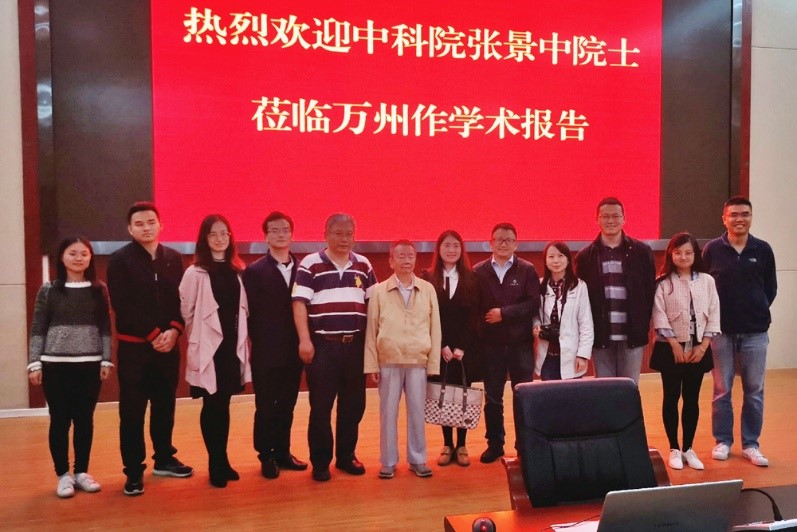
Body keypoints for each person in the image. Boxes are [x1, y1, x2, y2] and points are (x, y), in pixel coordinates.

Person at [107, 201, 193, 496]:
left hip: (168, 346)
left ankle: (164, 459)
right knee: (132, 412)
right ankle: (133, 471)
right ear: (130, 229)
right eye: (139, 224)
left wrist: (175, 330)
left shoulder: (174, 258)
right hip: (135, 350)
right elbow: (122, 304)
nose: (146, 228)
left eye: (151, 222)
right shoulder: (120, 260)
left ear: (160, 225)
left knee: (165, 406)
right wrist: (155, 334)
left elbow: (181, 300)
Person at [292, 213, 377, 481]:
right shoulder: (310, 264)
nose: (344, 239)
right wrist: (304, 339)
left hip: (355, 346)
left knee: (353, 405)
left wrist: (373, 347)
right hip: (323, 347)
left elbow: (374, 306)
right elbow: (299, 303)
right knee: (321, 407)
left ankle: (346, 456)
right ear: (326, 234)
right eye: (338, 233)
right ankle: (320, 462)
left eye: (349, 234)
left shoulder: (363, 264)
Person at [27, 237, 112, 498]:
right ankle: (63, 475)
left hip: (90, 364)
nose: (78, 258)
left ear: (90, 258)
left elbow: (105, 327)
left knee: (84, 420)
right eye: (72, 253)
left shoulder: (99, 289)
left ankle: (81, 472)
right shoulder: (49, 290)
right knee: (60, 420)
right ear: (62, 257)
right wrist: (34, 362)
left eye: (84, 253)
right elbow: (38, 327)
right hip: (55, 365)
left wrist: (106, 358)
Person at [703, 196, 777, 467]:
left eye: (745, 214)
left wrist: (755, 309)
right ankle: (723, 440)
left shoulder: (763, 249)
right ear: (724, 219)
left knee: (754, 390)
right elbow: (703, 287)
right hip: (720, 333)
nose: (739, 219)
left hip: (755, 333)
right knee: (722, 389)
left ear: (751, 217)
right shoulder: (712, 250)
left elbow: (770, 289)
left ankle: (751, 444)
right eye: (733, 214)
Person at [180, 214, 251, 487]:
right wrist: (199, 338)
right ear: (204, 239)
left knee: (224, 404)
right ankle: (215, 463)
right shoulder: (195, 272)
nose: (220, 239)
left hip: (231, 346)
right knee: (212, 404)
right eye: (213, 234)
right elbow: (186, 310)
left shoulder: (237, 270)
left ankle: (223, 460)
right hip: (209, 347)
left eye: (224, 233)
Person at [365, 240, 441, 479]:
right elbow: (371, 329)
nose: (406, 260)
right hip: (388, 360)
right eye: (401, 256)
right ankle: (388, 461)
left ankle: (417, 459)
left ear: (416, 259)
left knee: (417, 413)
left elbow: (435, 328)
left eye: (410, 256)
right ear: (391, 261)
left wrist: (433, 363)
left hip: (418, 361)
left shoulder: (427, 289)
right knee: (388, 414)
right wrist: (372, 364)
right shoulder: (379, 291)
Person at [242, 211, 308, 479]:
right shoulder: (254, 272)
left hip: (295, 350)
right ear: (266, 236)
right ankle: (266, 455)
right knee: (266, 405)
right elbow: (248, 314)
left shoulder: (304, 269)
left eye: (285, 230)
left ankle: (283, 451)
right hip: (266, 352)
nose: (281, 234)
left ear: (292, 234)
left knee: (287, 404)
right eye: (274, 230)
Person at [650, 232, 720, 471]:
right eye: (678, 252)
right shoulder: (663, 282)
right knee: (671, 397)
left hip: (698, 348)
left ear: (695, 255)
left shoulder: (707, 281)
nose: (683, 257)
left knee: (692, 399)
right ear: (671, 254)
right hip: (670, 348)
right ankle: (674, 448)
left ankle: (688, 448)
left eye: (688, 252)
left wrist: (703, 346)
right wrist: (673, 344)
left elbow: (714, 312)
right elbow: (658, 313)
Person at [474, 222, 540, 463]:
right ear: (490, 243)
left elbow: (533, 303)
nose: (503, 244)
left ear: (516, 244)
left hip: (520, 344)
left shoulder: (527, 270)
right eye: (499, 240)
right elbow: (474, 307)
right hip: (490, 346)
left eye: (508, 240)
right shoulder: (478, 271)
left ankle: (524, 444)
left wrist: (504, 313)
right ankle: (495, 444)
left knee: (523, 396)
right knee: (492, 398)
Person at [574, 196, 655, 383]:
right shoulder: (585, 257)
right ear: (597, 219)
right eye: (605, 216)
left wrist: (643, 323)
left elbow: (649, 292)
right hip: (600, 334)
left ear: (624, 218)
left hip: (632, 335)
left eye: (616, 216)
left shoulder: (641, 252)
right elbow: (581, 299)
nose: (611, 220)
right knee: (605, 390)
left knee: (629, 388)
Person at [420, 230, 480, 467]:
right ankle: (447, 444)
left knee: (462, 394)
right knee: (442, 394)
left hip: (465, 349)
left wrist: (461, 347)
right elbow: (426, 314)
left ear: (461, 249)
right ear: (439, 249)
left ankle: (462, 445)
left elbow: (475, 315)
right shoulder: (427, 277)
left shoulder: (472, 278)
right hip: (439, 347)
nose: (451, 250)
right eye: (447, 245)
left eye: (456, 245)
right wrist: (441, 344)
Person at [532, 241, 594, 381]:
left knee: (571, 394)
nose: (556, 261)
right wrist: (536, 325)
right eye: (551, 256)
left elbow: (586, 324)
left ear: (568, 260)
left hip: (571, 356)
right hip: (547, 356)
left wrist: (582, 355)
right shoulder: (539, 285)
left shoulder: (579, 286)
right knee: (549, 394)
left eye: (560, 256)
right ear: (545, 261)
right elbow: (534, 313)